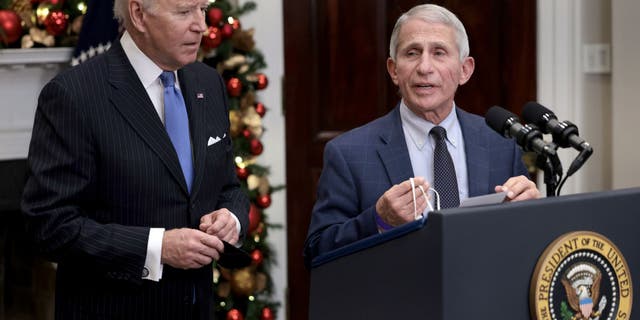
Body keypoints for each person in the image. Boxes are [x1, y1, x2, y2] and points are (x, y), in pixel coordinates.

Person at [20, 0, 249, 318]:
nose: (201, 25)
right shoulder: (74, 95)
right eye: (185, 12)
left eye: (202, 8)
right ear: (139, 14)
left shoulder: (208, 83)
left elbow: (228, 186)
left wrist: (232, 219)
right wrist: (157, 248)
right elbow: (50, 226)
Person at [304, 4, 539, 266]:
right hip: (397, 302)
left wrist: (531, 215)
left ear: (465, 70)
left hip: (481, 299)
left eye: (439, 53)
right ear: (394, 70)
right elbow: (318, 251)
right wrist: (379, 219)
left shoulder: (500, 143)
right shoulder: (349, 153)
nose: (424, 67)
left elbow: (525, 249)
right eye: (412, 53)